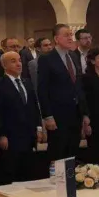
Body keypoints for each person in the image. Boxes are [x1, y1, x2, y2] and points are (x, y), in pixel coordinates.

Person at [37, 24, 90, 161]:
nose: (70, 38)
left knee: (73, 150)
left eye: (71, 35)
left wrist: (84, 113)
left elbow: (78, 86)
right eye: (66, 35)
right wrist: (48, 116)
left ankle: (71, 174)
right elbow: (42, 89)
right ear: (56, 39)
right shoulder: (46, 59)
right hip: (58, 114)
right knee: (58, 151)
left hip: (75, 112)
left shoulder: (73, 56)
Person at [0, 51, 42, 184]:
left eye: (19, 60)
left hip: (28, 136)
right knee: (10, 176)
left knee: (28, 175)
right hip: (10, 138)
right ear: (4, 65)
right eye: (13, 61)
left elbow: (34, 107)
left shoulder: (27, 82)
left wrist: (38, 128)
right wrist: (1, 135)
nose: (19, 64)